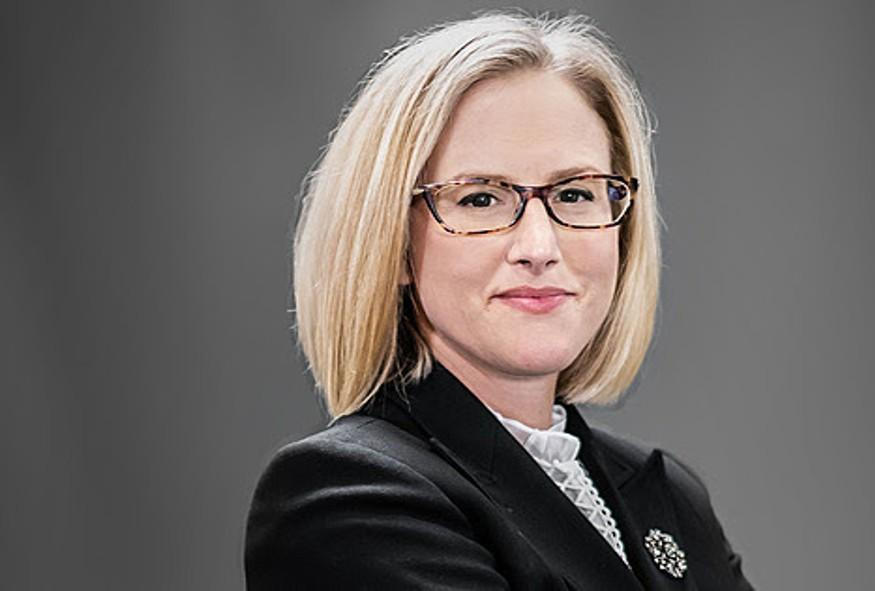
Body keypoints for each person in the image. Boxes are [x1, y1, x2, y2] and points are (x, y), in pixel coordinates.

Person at [245, 12, 753, 591]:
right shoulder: (349, 498)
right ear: (394, 243)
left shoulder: (668, 495)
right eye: (480, 199)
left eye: (575, 193)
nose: (539, 248)